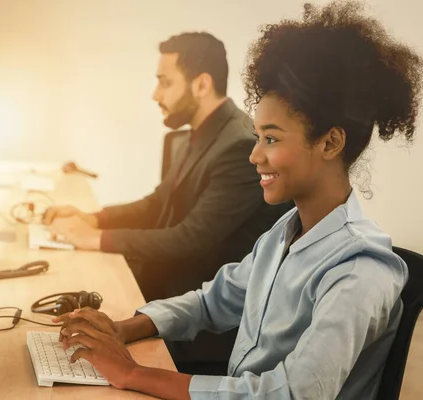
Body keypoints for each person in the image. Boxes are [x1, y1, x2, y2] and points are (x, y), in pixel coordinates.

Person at [50, 1, 423, 399]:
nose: (254, 155)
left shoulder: (360, 272)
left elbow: (291, 394)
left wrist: (132, 374)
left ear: (329, 142)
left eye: (271, 139)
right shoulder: (283, 235)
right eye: (257, 137)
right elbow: (212, 302)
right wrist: (122, 328)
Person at [43, 32, 291, 373]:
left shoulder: (237, 145)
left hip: (203, 329)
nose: (155, 94)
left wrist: (93, 239)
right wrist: (93, 218)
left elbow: (190, 239)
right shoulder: (202, 132)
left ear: (201, 84)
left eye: (165, 82)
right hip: (173, 299)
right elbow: (158, 203)